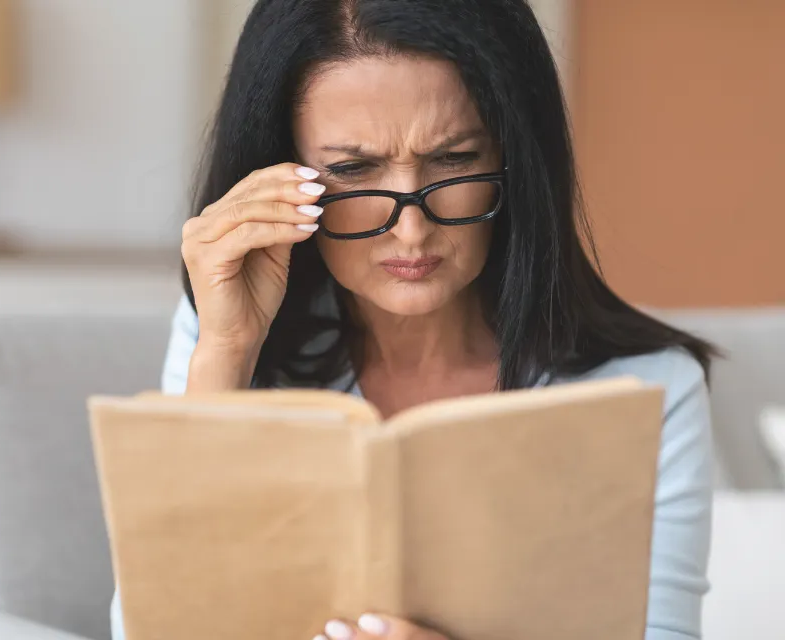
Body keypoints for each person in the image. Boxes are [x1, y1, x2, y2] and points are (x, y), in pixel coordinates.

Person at [112, 1, 715, 638]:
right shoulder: (223, 334)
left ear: (515, 159)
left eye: (453, 160)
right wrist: (226, 353)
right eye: (351, 169)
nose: (411, 229)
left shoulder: (649, 390)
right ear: (279, 170)